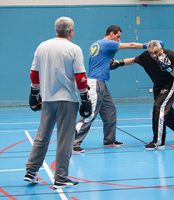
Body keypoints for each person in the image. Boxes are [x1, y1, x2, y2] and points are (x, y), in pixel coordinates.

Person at [24, 16, 92, 189]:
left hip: (47, 99)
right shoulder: (73, 48)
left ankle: (31, 171)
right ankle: (61, 177)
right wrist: (85, 98)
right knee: (65, 139)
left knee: (42, 136)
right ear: (71, 31)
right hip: (67, 100)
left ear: (56, 30)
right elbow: (81, 77)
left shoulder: (42, 46)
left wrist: (34, 93)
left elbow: (34, 73)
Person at [73, 25, 147, 153]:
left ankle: (109, 139)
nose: (119, 39)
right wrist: (146, 46)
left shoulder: (97, 44)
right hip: (96, 83)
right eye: (118, 36)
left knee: (110, 110)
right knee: (89, 114)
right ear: (111, 34)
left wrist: (128, 62)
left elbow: (110, 64)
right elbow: (130, 45)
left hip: (101, 83)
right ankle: (73, 143)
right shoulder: (108, 43)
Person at [111, 40, 174, 150]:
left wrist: (170, 68)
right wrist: (119, 63)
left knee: (158, 108)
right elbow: (133, 60)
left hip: (170, 83)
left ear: (161, 49)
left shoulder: (170, 54)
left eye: (156, 52)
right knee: (167, 114)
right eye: (151, 53)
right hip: (157, 86)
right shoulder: (146, 56)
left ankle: (158, 141)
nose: (154, 55)